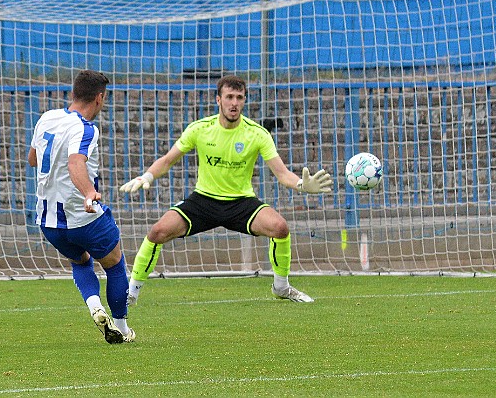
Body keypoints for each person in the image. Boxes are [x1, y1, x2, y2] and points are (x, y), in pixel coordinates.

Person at [120, 74, 332, 304]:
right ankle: (132, 293)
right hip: (203, 200)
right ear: (218, 100)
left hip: (241, 202)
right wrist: (148, 174)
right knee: (157, 232)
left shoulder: (257, 133)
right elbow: (168, 159)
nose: (234, 103)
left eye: (239, 98)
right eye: (229, 97)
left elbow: (282, 174)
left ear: (244, 101)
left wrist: (302, 184)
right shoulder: (200, 129)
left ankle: (281, 287)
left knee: (280, 227)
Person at [28, 70, 134, 344]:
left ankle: (95, 306)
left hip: (48, 221)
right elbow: (76, 163)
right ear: (99, 98)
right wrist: (89, 193)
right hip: (82, 216)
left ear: (73, 92)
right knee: (114, 263)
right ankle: (122, 327)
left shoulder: (46, 118)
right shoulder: (86, 128)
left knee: (80, 260)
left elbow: (32, 159)